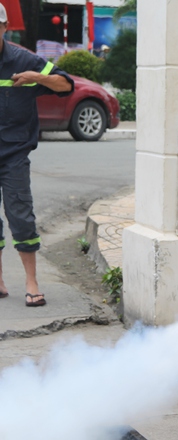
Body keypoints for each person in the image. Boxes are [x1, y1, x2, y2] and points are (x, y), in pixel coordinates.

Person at [0, 3, 74, 307]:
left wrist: (37, 77)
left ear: (4, 28)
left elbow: (66, 85)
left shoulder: (22, 59)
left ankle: (31, 281)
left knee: (20, 214)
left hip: (14, 152)